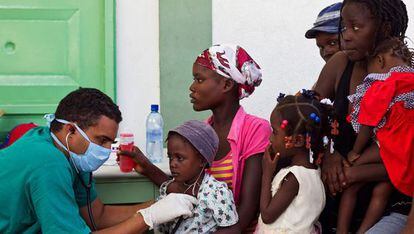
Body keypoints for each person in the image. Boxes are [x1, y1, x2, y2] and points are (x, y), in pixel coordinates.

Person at [0, 88, 197, 233]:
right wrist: (148, 218)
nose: (105, 151)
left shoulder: (71, 153)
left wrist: (158, 205)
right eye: (101, 140)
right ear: (71, 130)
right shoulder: (48, 163)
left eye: (110, 142)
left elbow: (98, 216)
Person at [121, 44, 271, 232]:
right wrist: (146, 166)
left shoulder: (255, 129)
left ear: (226, 84)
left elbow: (246, 212)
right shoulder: (202, 133)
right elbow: (190, 189)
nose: (192, 87)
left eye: (199, 79)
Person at [312, 0, 409, 232]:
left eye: (355, 28)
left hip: (395, 204)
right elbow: (306, 112)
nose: (346, 36)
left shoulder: (404, 77)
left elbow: (406, 156)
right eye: (344, 28)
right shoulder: (340, 63)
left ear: (384, 28)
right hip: (338, 203)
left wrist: (354, 173)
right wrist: (329, 151)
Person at [337, 37, 414, 233]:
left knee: (350, 177)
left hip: (394, 142)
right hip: (408, 149)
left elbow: (367, 121)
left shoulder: (382, 84)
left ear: (380, 61)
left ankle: (343, 231)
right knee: (382, 188)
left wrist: (355, 151)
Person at [256, 92, 331, 233]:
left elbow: (267, 215)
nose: (271, 138)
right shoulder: (315, 173)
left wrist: (267, 173)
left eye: (275, 132)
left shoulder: (295, 177)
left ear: (297, 141)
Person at [156, 120, 239, 233]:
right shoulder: (168, 189)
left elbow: (231, 230)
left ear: (201, 160)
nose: (172, 164)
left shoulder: (216, 193)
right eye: (170, 157)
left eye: (180, 158)